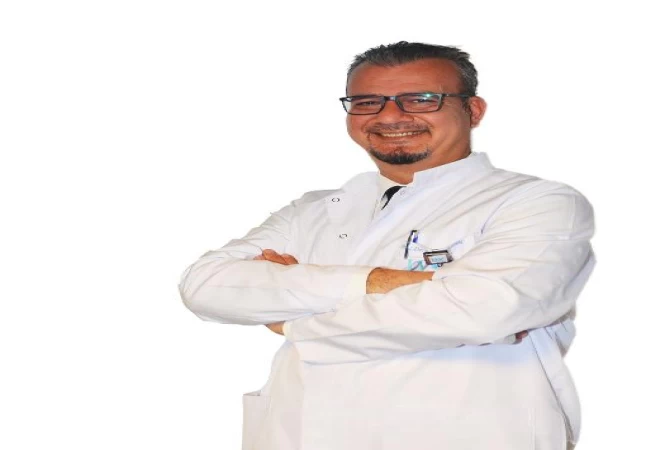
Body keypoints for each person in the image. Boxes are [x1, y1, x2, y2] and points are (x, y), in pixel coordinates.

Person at [179, 41, 596, 450]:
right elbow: (205, 286)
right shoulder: (311, 210)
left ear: (473, 110)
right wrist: (385, 283)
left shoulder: (538, 202)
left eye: (420, 99)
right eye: (367, 102)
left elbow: (486, 309)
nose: (391, 115)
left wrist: (292, 321)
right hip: (303, 433)